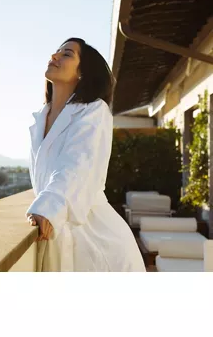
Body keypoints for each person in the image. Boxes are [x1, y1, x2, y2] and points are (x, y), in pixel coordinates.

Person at [26, 38, 145, 272]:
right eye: (57, 51)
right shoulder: (42, 118)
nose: (55, 56)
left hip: (97, 240)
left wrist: (48, 207)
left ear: (82, 72)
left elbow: (77, 164)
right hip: (56, 234)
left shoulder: (94, 111)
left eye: (67, 54)